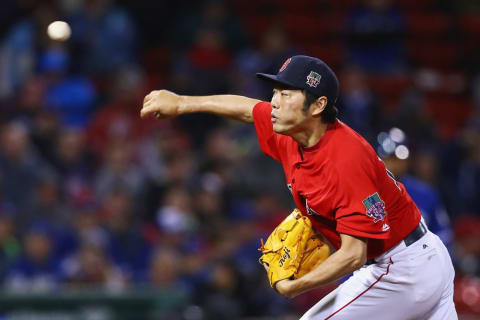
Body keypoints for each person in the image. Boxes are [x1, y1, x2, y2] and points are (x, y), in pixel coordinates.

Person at [140, 55, 457, 319]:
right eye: (276, 91)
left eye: (287, 93)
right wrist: (181, 102)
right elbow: (245, 108)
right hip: (421, 258)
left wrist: (297, 285)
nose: (275, 102)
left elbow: (353, 255)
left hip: (400, 269)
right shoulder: (291, 129)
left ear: (318, 105)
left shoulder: (344, 159)